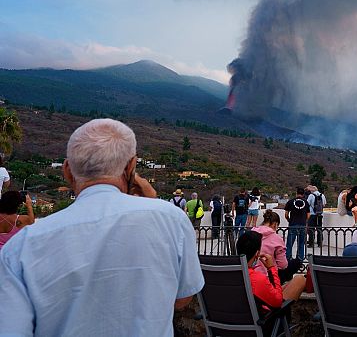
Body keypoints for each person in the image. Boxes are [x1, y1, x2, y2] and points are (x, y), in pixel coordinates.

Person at [0, 118, 204, 335]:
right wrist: (153, 205)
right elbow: (182, 299)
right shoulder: (172, 220)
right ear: (131, 167)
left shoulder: (21, 247)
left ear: (67, 170)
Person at [236, 231, 306, 318]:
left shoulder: (227, 275)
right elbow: (277, 302)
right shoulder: (257, 279)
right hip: (266, 323)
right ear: (257, 253)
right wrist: (271, 268)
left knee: (288, 285)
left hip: (227, 324)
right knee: (300, 279)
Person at [253, 210, 303, 284]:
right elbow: (283, 265)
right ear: (275, 224)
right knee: (296, 263)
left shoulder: (251, 234)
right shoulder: (276, 239)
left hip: (252, 274)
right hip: (269, 276)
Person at [284, 187, 310, 261]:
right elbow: (308, 215)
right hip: (302, 225)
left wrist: (289, 220)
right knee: (301, 244)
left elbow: (286, 214)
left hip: (293, 225)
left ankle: (288, 259)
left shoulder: (290, 202)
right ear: (303, 194)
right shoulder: (306, 202)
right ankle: (300, 260)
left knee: (289, 244)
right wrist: (304, 221)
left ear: (296, 193)